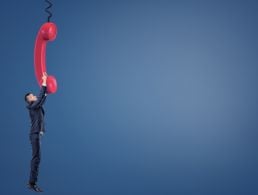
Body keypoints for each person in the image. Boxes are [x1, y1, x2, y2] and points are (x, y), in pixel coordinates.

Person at [24, 72, 48, 192]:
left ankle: (31, 182)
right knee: (36, 158)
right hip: (34, 135)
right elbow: (39, 100)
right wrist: (43, 82)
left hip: (36, 135)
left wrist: (46, 92)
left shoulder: (36, 106)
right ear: (29, 100)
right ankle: (32, 183)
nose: (34, 95)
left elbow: (41, 101)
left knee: (37, 158)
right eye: (32, 95)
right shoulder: (31, 106)